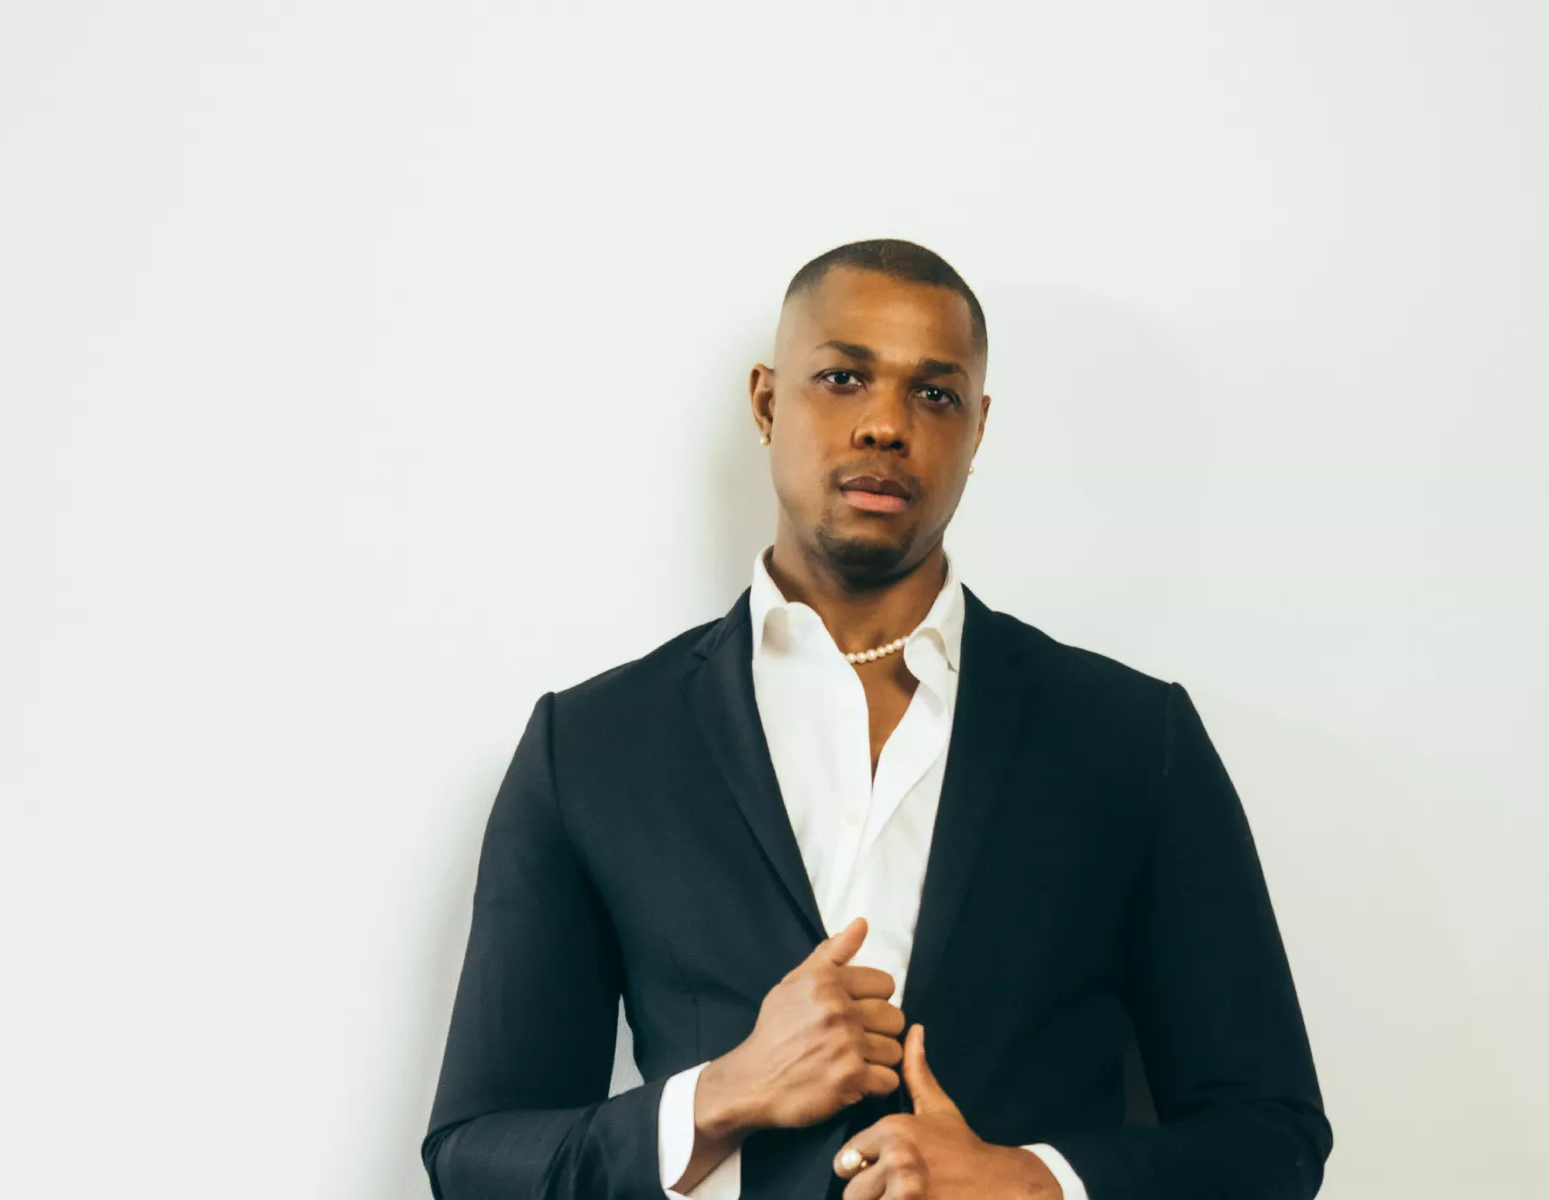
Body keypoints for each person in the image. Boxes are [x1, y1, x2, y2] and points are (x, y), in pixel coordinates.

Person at [421, 239, 1331, 1200]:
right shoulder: (594, 745)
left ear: (978, 430)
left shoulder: (1131, 740)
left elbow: (1272, 1138)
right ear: (768, 403)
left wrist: (1032, 1182)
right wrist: (719, 1096)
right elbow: (475, 1158)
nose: (886, 425)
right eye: (844, 378)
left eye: (934, 395)